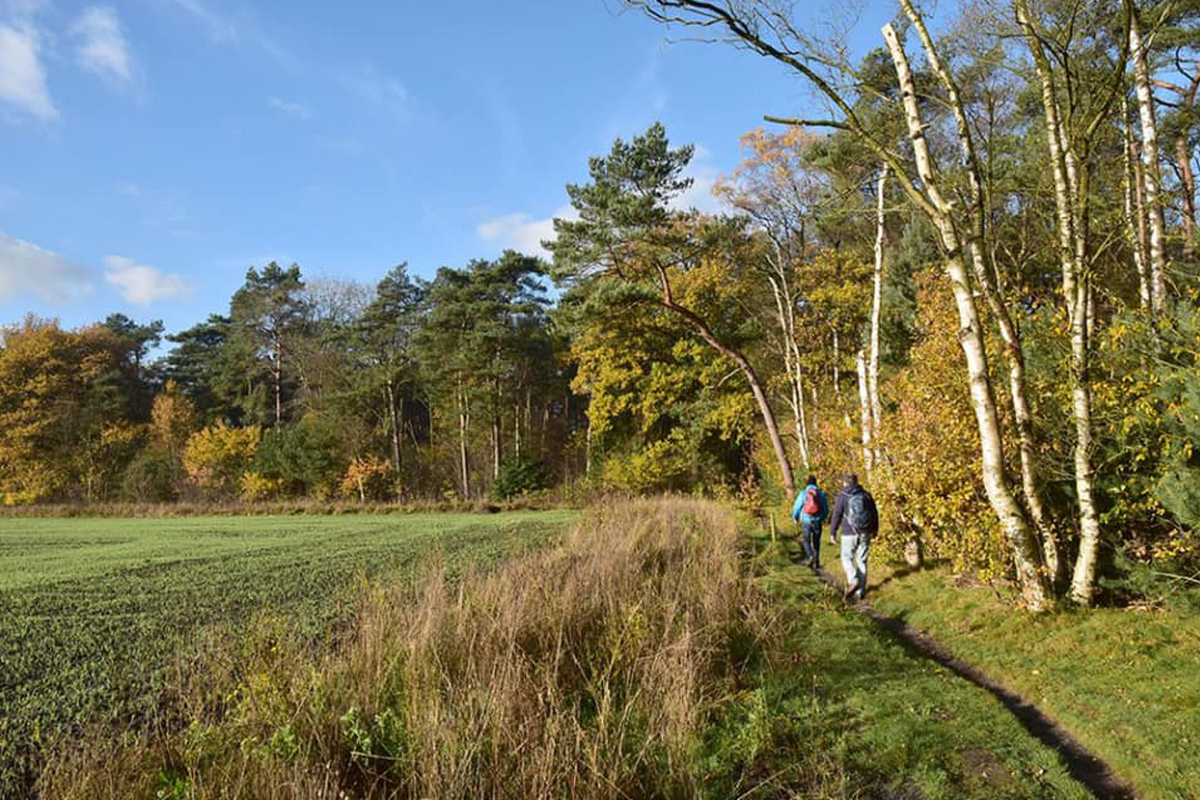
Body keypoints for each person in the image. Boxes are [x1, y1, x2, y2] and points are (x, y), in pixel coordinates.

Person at [828, 473, 879, 601]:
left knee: (846, 557)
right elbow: (874, 513)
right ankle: (860, 592)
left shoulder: (842, 496)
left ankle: (853, 579)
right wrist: (874, 530)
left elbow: (836, 515)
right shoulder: (866, 495)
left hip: (848, 533)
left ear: (845, 483)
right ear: (857, 482)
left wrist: (832, 532)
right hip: (865, 532)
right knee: (862, 560)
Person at [790, 474, 828, 569]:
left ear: (807, 484)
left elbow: (797, 507)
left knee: (806, 540)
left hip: (806, 521)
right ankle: (816, 562)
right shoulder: (820, 494)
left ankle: (810, 555)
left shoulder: (803, 493)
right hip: (817, 521)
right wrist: (821, 518)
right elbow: (826, 509)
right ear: (816, 483)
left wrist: (795, 517)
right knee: (816, 542)